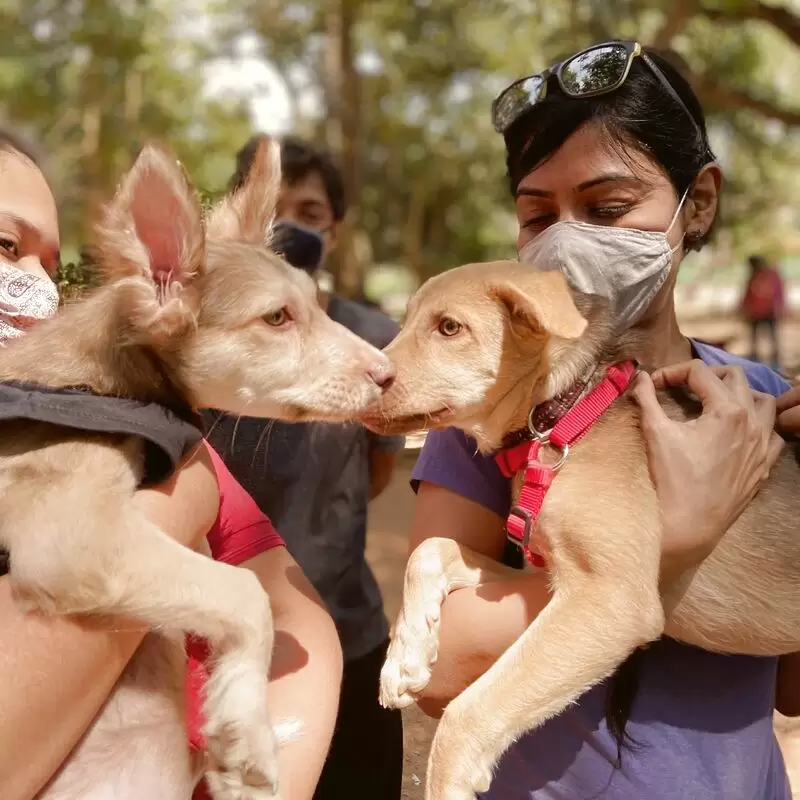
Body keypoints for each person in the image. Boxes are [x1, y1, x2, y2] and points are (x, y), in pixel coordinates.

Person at [408, 42, 800, 799]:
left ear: (701, 203)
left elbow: (792, 687)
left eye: (608, 208)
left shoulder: (759, 401)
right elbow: (434, 667)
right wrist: (670, 546)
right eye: (536, 214)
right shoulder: (493, 411)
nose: (566, 241)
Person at [0, 129, 342, 800]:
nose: (36, 284)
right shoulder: (168, 454)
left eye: (51, 261)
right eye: (5, 246)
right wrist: (183, 502)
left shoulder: (144, 429)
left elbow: (302, 623)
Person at [207, 136, 405, 799]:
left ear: (336, 229)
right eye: (276, 208)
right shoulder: (202, 340)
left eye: (311, 210)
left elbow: (378, 473)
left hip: (351, 634)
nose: (292, 224)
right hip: (225, 651)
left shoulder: (374, 340)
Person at [741, 253, 785, 370]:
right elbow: (747, 294)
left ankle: (775, 362)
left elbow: (779, 293)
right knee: (754, 338)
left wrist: (780, 307)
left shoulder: (771, 275)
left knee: (773, 338)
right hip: (755, 313)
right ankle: (754, 359)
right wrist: (744, 308)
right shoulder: (753, 276)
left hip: (769, 312)